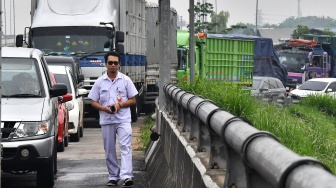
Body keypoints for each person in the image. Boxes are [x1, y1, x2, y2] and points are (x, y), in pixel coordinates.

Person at [88, 51, 138, 187]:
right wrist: (103, 108)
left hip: (123, 119)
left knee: (125, 146)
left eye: (116, 63)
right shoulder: (99, 82)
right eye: (110, 63)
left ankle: (127, 176)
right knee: (109, 149)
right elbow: (93, 101)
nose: (113, 65)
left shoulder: (126, 80)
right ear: (105, 64)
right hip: (107, 120)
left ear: (119, 64)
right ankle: (113, 176)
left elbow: (133, 99)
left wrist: (119, 105)